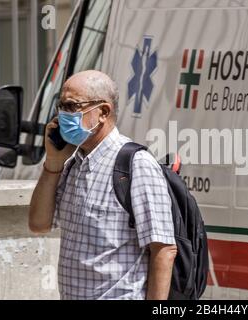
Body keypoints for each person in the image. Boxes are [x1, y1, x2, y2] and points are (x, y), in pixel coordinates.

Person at [28, 70, 177, 300]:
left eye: (71, 106)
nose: (61, 116)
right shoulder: (72, 164)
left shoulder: (136, 165)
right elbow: (38, 224)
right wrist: (53, 163)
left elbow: (164, 250)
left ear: (103, 112)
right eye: (61, 106)